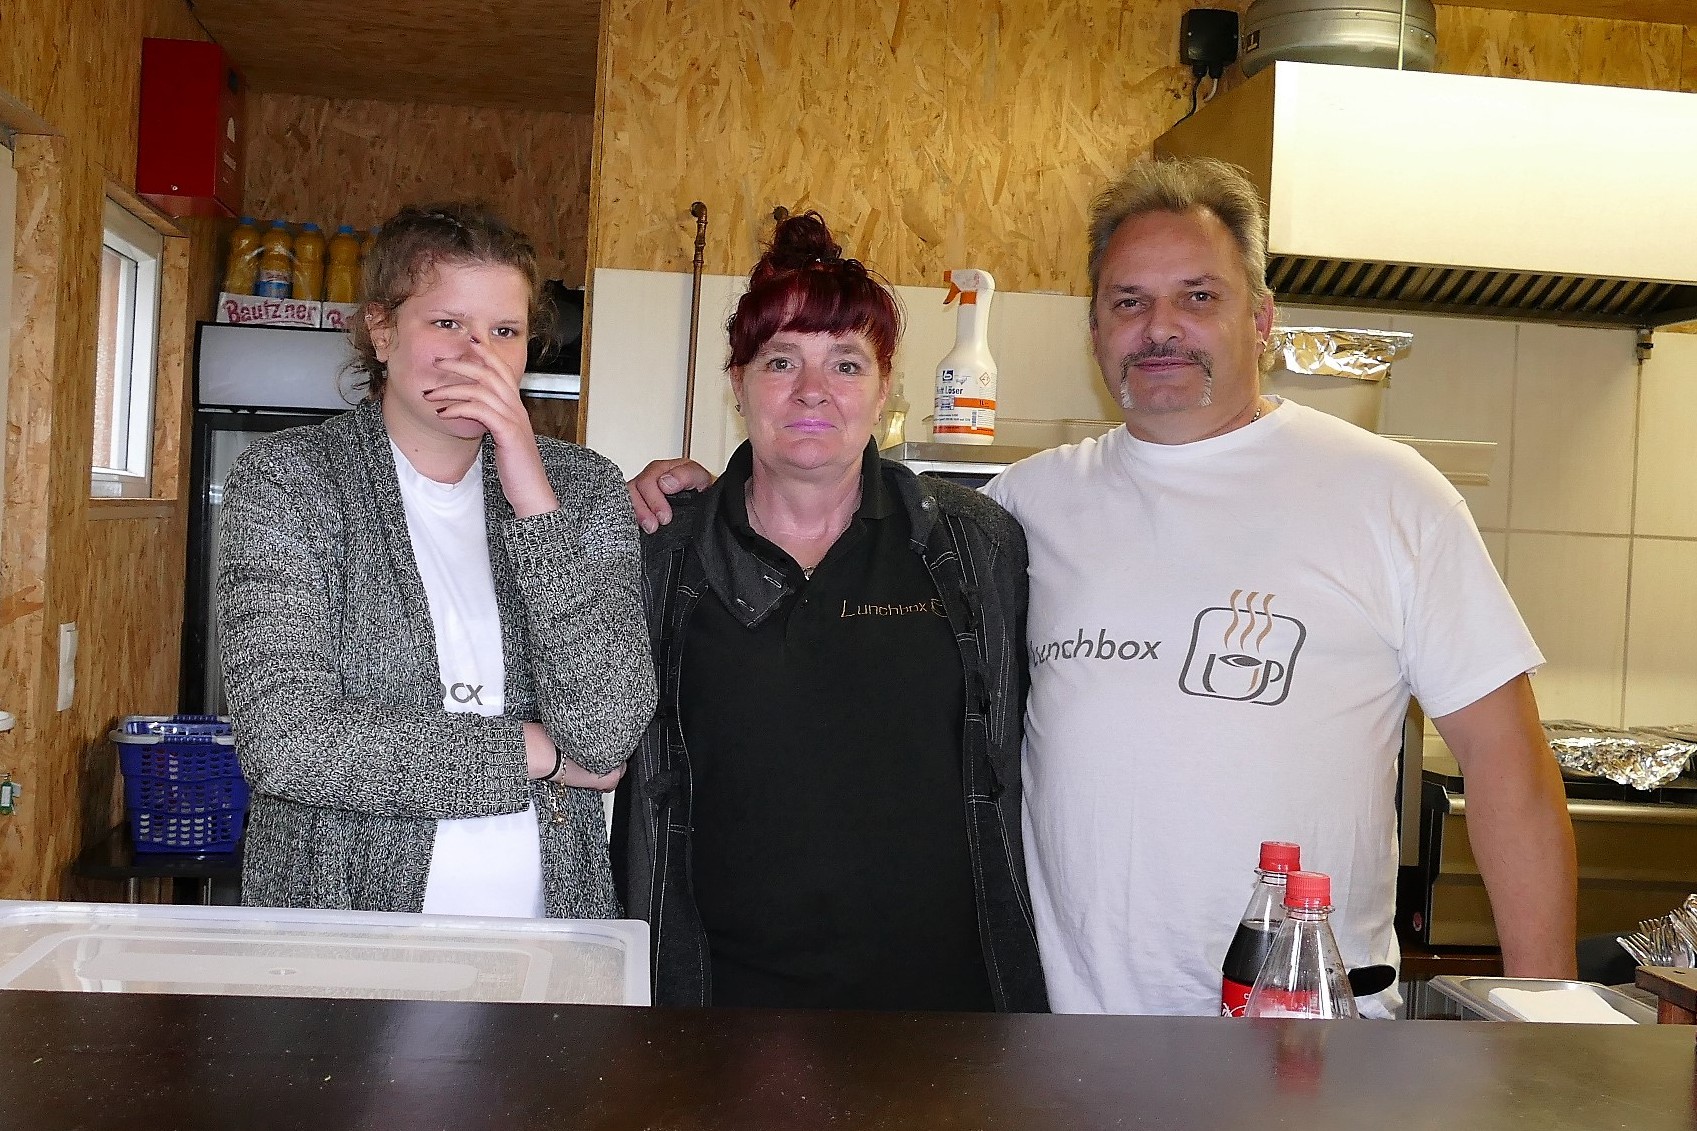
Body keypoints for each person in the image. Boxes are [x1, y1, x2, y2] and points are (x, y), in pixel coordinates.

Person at [628, 159, 1578, 1017]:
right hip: (1064, 1039)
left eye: (1195, 295)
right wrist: (705, 505)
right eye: (1127, 301)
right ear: (1094, 330)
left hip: (1297, 1031)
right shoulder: (1020, 512)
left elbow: (1510, 772)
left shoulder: (1389, 495)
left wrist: (1541, 1023)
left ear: (1259, 316)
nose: (1159, 327)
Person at [611, 212, 1048, 1012]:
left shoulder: (973, 544)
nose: (811, 391)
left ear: (885, 389)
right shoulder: (663, 556)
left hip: (941, 1010)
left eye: (845, 363)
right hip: (714, 1004)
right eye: (781, 360)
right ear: (737, 382)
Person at [218, 203, 655, 918]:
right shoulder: (289, 480)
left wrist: (531, 492)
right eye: (447, 323)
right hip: (341, 932)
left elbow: (607, 732)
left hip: (545, 939)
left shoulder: (582, 487)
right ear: (382, 330)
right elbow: (289, 742)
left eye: (503, 331)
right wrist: (540, 753)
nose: (476, 356)